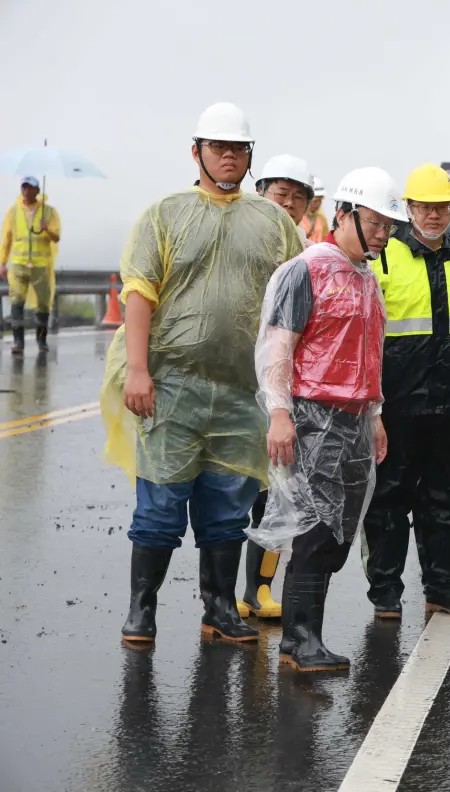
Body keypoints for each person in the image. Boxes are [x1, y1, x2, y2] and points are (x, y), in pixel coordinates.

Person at [100, 101, 305, 645]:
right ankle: (142, 610)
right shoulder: (165, 214)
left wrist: (285, 389)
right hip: (171, 389)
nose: (230, 157)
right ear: (197, 152)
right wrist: (139, 370)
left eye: (239, 149)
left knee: (225, 512)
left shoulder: (274, 222)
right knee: (161, 510)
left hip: (242, 393)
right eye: (219, 148)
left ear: (249, 156)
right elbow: (139, 292)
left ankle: (218, 607)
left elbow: (293, 302)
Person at [249, 166, 399, 672]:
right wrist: (279, 413)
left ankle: (303, 636)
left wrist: (375, 415)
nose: (381, 234)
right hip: (312, 416)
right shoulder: (306, 269)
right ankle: (300, 637)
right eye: (374, 223)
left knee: (338, 531)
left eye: (387, 226)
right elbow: (277, 347)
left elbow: (370, 353)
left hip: (354, 420)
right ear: (343, 214)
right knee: (314, 529)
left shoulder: (365, 278)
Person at [360, 163, 450, 619]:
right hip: (397, 400)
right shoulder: (385, 257)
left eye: (441, 207)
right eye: (424, 207)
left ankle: (444, 587)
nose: (434, 215)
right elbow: (369, 331)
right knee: (390, 497)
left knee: (447, 499)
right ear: (408, 208)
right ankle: (386, 591)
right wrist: (370, 401)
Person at [235, 153, 317, 622]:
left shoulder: (307, 253)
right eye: (279, 194)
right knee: (229, 492)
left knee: (274, 492)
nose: (287, 204)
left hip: (278, 390)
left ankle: (257, 590)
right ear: (259, 192)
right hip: (234, 380)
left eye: (297, 196)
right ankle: (220, 596)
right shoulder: (239, 237)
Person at [1, 176, 61, 354]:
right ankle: (18, 343)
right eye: (24, 187)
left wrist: (46, 229)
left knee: (43, 305)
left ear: (37, 190)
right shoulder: (13, 212)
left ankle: (41, 340)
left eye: (30, 188)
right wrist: (2, 262)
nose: (26, 191)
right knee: (16, 302)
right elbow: (6, 239)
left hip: (40, 266)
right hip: (19, 265)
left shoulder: (49, 212)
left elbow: (57, 237)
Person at [301, 177, 328, 243]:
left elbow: (325, 239)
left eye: (320, 201)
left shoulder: (321, 218)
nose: (318, 204)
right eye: (315, 201)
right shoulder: (296, 217)